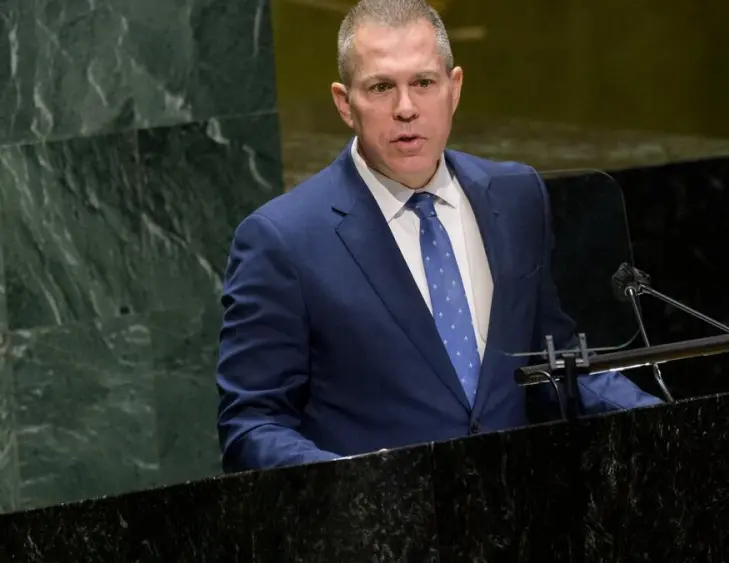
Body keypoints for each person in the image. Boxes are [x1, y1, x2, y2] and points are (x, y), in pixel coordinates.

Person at [215, 0, 662, 472]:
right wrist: (352, 486)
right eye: (382, 87)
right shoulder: (282, 239)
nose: (406, 109)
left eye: (424, 83)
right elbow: (251, 424)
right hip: (377, 514)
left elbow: (557, 363)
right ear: (345, 104)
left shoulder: (516, 196)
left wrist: (666, 424)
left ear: (455, 88)